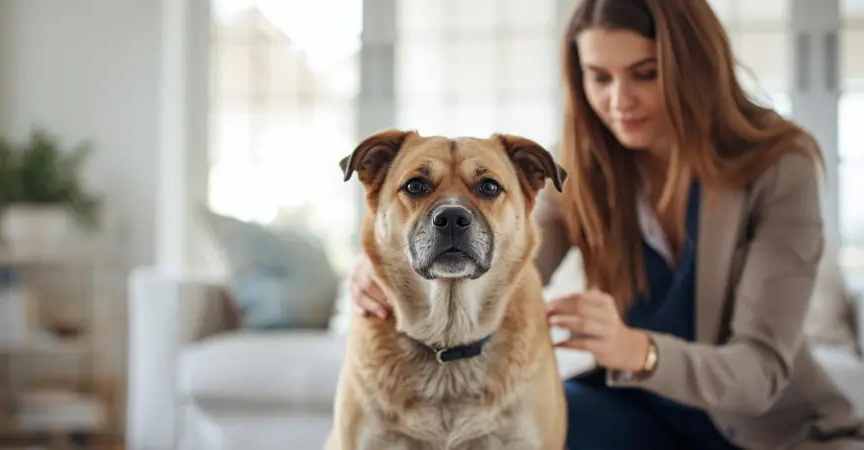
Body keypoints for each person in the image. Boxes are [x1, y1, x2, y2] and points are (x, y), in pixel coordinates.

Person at [346, 0, 864, 449]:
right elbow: (505, 254)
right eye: (599, 76)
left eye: (645, 73)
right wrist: (382, 268)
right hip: (638, 413)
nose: (619, 101)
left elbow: (761, 372)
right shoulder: (581, 165)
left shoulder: (780, 164)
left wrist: (638, 350)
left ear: (695, 66)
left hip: (769, 431)